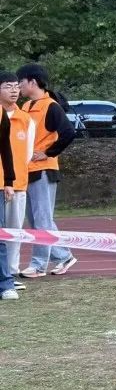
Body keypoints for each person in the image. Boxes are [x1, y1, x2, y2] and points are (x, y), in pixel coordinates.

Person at [15, 63, 77, 279]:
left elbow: (69, 133)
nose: (18, 87)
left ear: (32, 82)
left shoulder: (51, 106)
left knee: (42, 219)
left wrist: (48, 153)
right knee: (36, 220)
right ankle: (63, 256)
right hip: (26, 169)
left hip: (43, 170)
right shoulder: (25, 106)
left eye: (20, 83)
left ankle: (39, 264)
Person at [0, 72, 33, 291]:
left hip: (17, 183)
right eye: (8, 86)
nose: (14, 91)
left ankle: (10, 273)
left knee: (13, 231)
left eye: (16, 86)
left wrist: (13, 178)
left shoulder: (25, 119)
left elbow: (28, 153)